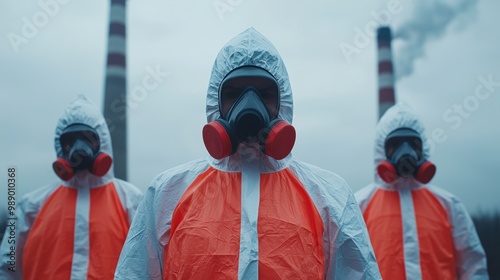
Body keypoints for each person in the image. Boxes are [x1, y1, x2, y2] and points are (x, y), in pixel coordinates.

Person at [114, 27, 381, 279]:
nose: (250, 106)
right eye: (234, 93)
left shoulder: (329, 196)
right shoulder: (167, 193)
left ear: (283, 102)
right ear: (215, 102)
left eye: (264, 94)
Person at [0, 95, 143, 280]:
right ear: (60, 147)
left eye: (88, 139)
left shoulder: (130, 201)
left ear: (103, 143)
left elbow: (144, 266)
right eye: (70, 141)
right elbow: (7, 268)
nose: (79, 148)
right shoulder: (30, 206)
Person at [355, 102, 488, 279]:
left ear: (423, 148)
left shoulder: (449, 206)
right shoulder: (359, 206)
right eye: (395, 144)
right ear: (382, 149)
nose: (406, 151)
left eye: (413, 143)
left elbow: (473, 268)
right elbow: (348, 269)